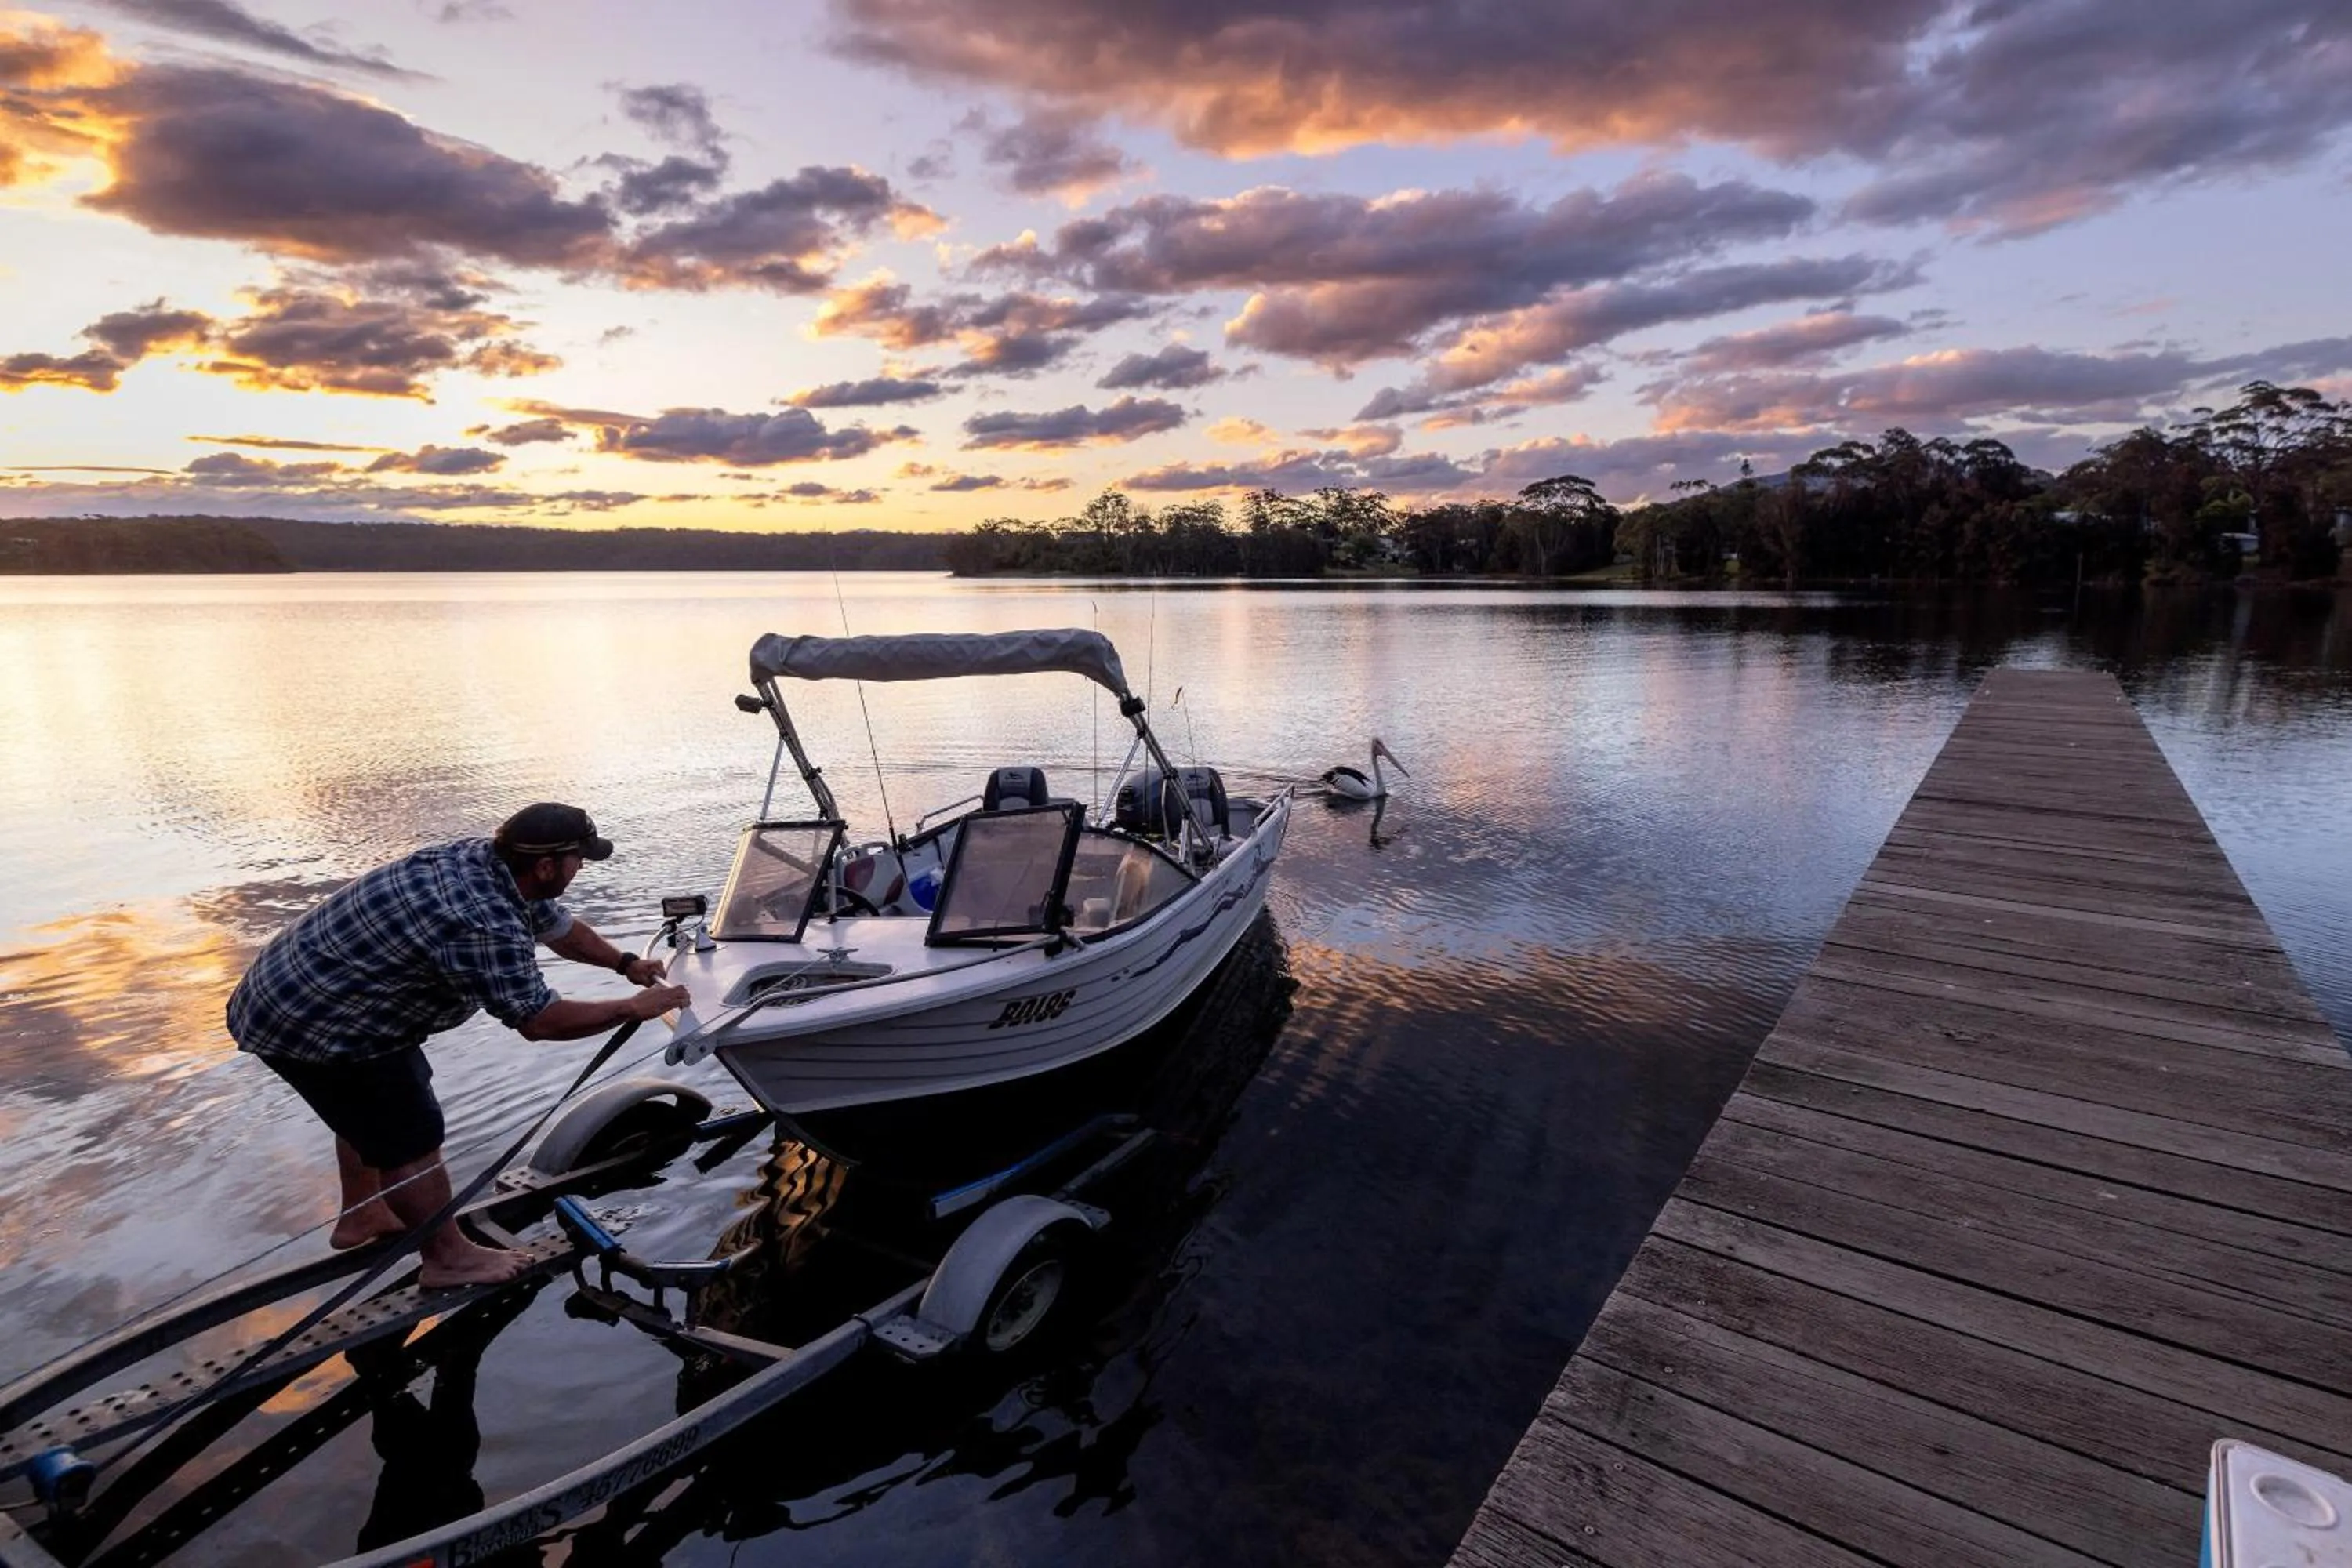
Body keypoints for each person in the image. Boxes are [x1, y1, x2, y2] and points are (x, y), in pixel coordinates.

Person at [227, 803, 690, 1287]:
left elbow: (561, 931)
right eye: (579, 859)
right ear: (548, 865)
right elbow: (539, 1020)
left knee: (372, 1112)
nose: (582, 868)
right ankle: (447, 1257)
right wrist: (631, 1007)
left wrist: (627, 963)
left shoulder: (492, 864)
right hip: (318, 1018)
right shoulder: (483, 920)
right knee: (411, 1134)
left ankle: (363, 1216)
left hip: (295, 994)